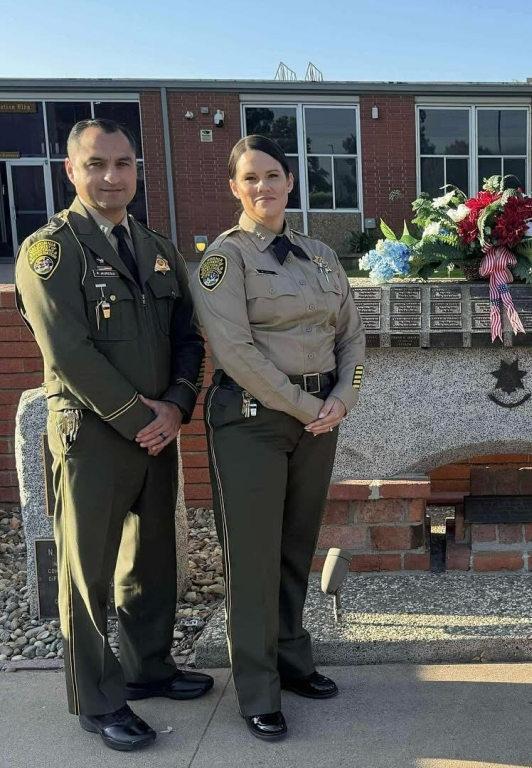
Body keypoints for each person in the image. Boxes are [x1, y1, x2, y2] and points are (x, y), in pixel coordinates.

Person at [14, 119, 212, 752]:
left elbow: (188, 334)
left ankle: (148, 667)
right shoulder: (50, 250)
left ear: (137, 170)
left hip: (159, 429)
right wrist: (139, 417)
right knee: (88, 574)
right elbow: (66, 349)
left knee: (152, 561)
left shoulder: (156, 246)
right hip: (93, 435)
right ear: (70, 171)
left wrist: (179, 405)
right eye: (96, 164)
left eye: (123, 164)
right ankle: (99, 700)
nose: (111, 177)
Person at [191, 135, 366, 741]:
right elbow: (234, 350)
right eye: (250, 178)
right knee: (254, 558)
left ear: (291, 181)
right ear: (235, 189)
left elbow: (352, 334)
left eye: (273, 175)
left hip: (319, 418)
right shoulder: (225, 258)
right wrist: (305, 405)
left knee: (296, 547)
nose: (263, 187)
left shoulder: (320, 254)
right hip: (253, 422)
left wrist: (344, 396)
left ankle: (293, 661)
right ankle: (258, 689)